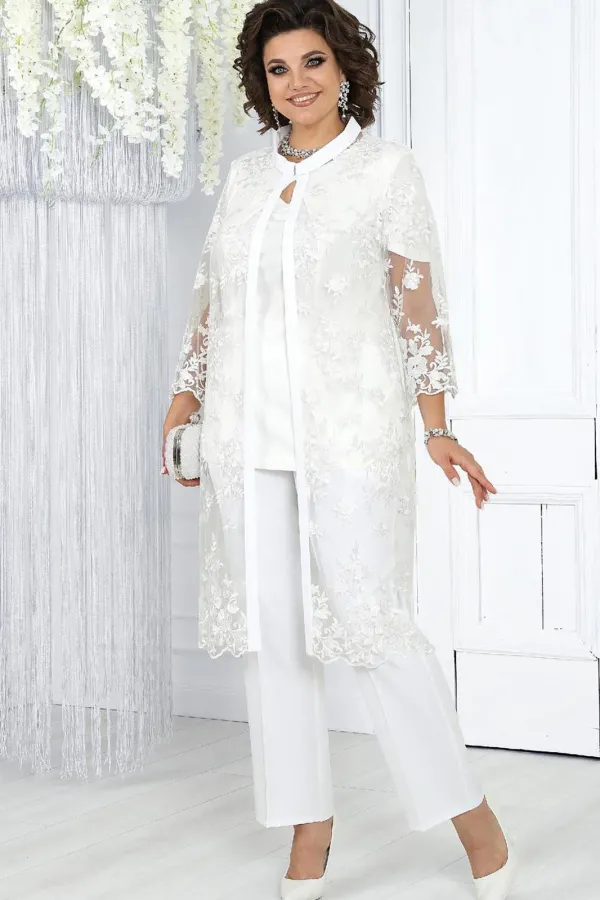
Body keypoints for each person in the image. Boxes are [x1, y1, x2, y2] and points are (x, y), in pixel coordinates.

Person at [162, 1, 519, 898]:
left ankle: (473, 819)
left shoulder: (386, 171)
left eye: (312, 61)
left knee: (376, 627)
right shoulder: (246, 181)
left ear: (344, 66)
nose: (298, 83)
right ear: (263, 85)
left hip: (350, 436)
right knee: (273, 640)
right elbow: (212, 300)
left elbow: (416, 305)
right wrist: (184, 397)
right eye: (278, 69)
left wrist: (437, 425)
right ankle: (307, 830)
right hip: (246, 441)